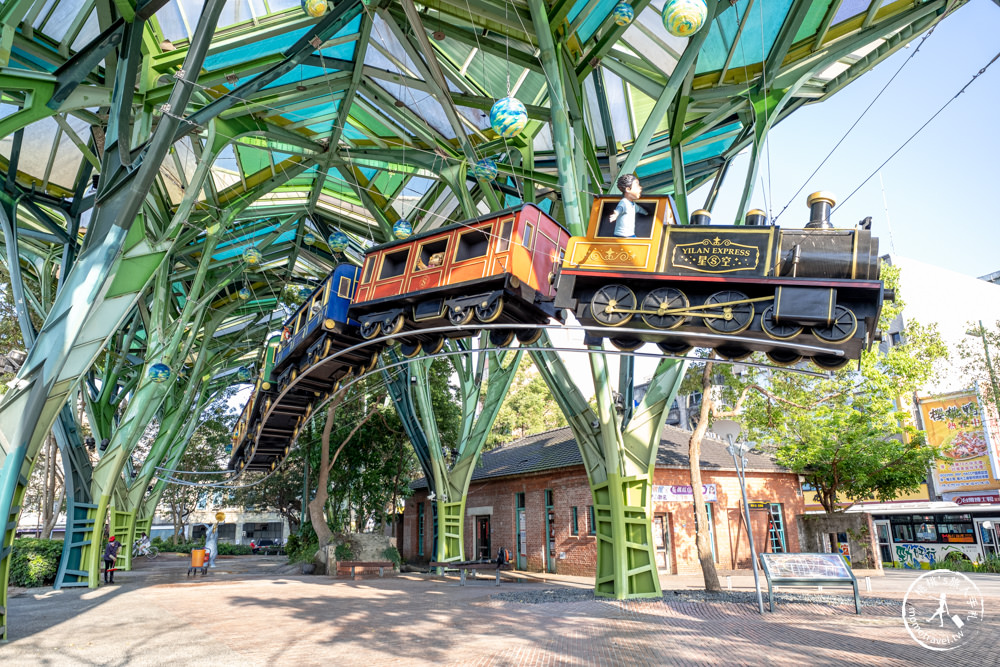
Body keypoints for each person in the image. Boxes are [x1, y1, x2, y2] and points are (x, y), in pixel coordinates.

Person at [608, 173, 648, 238]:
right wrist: (615, 214)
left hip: (630, 234)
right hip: (622, 235)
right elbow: (619, 209)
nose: (640, 188)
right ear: (628, 189)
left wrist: (647, 213)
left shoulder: (633, 205)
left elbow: (640, 209)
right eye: (637, 186)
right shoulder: (624, 202)